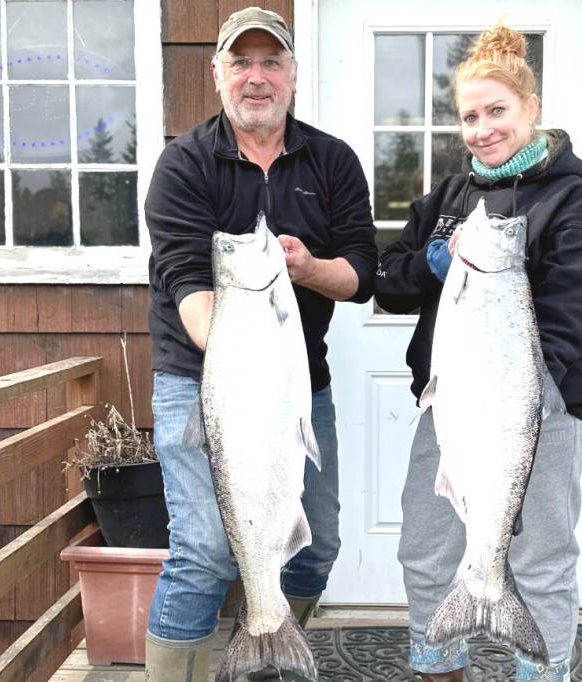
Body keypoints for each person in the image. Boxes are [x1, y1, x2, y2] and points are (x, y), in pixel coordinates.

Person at [143, 7, 378, 680]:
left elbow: (362, 272)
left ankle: (268, 643)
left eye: (270, 62)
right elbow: (187, 286)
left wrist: (306, 270)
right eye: (240, 62)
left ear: (293, 76)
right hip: (201, 384)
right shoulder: (184, 166)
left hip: (300, 388)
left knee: (315, 547)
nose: (256, 77)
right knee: (207, 550)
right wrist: (245, 337)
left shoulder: (332, 161)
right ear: (215, 74)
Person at [374, 24, 582, 682]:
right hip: (452, 411)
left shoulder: (571, 203)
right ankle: (440, 665)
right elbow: (387, 284)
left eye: (496, 111)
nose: (482, 128)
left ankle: (540, 672)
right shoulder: (448, 200)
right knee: (425, 549)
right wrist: (432, 262)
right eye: (469, 116)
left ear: (530, 109)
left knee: (540, 565)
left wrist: (517, 411)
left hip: (545, 414)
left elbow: (564, 325)